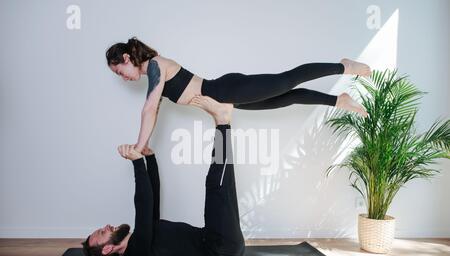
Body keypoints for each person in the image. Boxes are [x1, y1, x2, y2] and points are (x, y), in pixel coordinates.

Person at [106, 37, 371, 154]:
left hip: (226, 90)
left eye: (120, 71)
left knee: (287, 80)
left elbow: (148, 110)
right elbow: (155, 111)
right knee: (286, 97)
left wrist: (139, 147)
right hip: (226, 98)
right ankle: (339, 100)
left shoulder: (154, 65)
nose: (123, 77)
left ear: (128, 58)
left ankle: (344, 66)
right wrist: (146, 145)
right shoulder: (153, 76)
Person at [82, 97, 245, 256]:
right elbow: (143, 203)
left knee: (216, 184)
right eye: (102, 232)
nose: (106, 227)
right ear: (108, 248)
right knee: (217, 186)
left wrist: (149, 158)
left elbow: (152, 197)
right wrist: (137, 163)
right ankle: (222, 121)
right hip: (220, 248)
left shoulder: (142, 238)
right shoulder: (137, 253)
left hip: (215, 239)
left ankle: (222, 122)